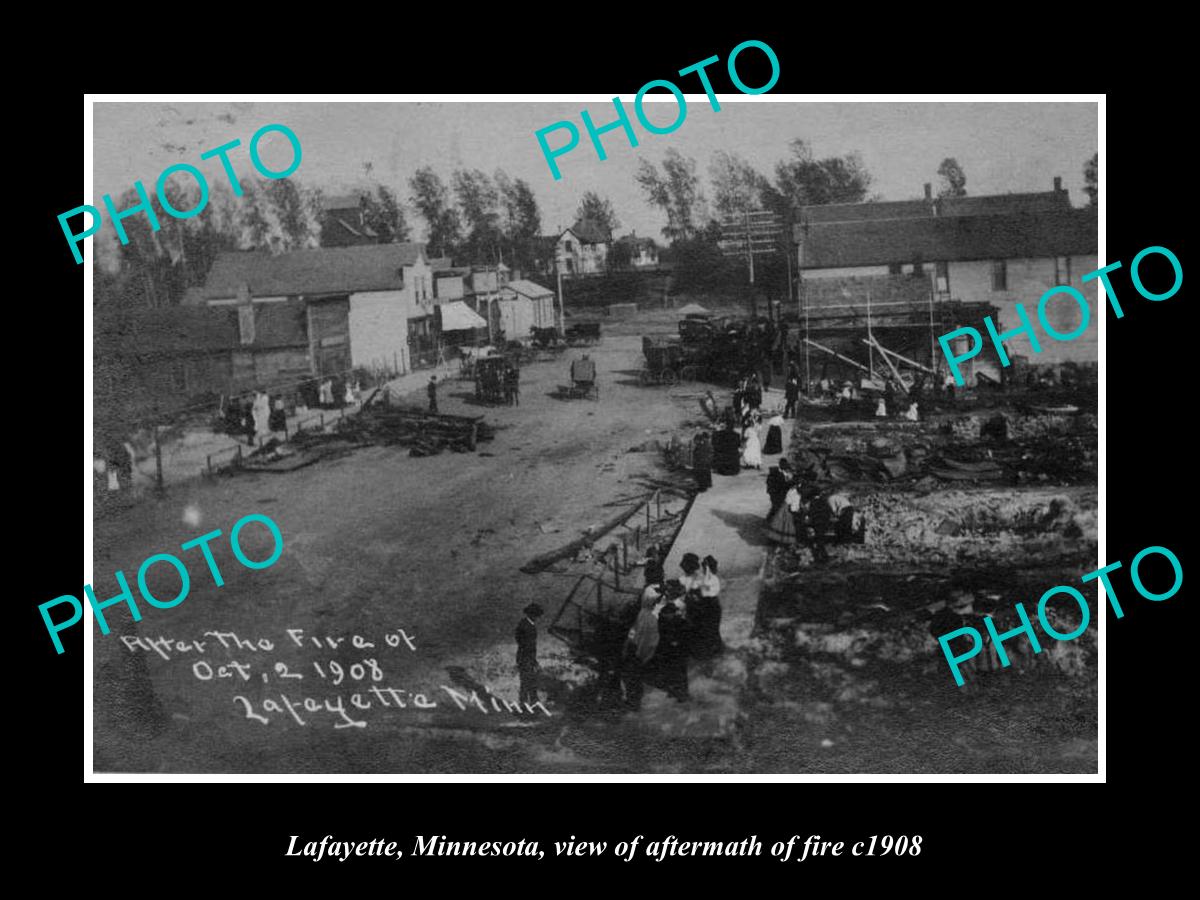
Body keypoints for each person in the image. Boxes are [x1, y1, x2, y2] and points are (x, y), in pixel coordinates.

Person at [624, 591, 661, 709]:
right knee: (635, 679)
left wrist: (629, 645)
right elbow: (652, 641)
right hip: (641, 652)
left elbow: (634, 633)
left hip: (634, 650)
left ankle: (633, 702)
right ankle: (635, 702)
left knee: (632, 678)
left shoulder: (641, 615)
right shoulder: (651, 618)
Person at [688, 555, 724, 659]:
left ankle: (711, 649)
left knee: (709, 629)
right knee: (712, 629)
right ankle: (715, 648)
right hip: (711, 607)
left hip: (709, 607)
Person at [655, 604, 689, 701]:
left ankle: (682, 694)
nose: (670, 615)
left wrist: (678, 641)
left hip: (678, 653)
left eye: (672, 613)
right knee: (671, 674)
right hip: (668, 653)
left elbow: (686, 635)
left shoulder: (680, 622)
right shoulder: (660, 623)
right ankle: (675, 692)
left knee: (679, 674)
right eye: (669, 613)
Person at [515, 602, 544, 706]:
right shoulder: (526, 625)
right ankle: (525, 704)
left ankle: (531, 702)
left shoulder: (526, 624)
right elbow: (525, 645)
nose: (537, 617)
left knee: (529, 680)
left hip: (526, 657)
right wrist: (532, 660)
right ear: (531, 614)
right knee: (527, 681)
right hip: (525, 657)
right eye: (536, 615)